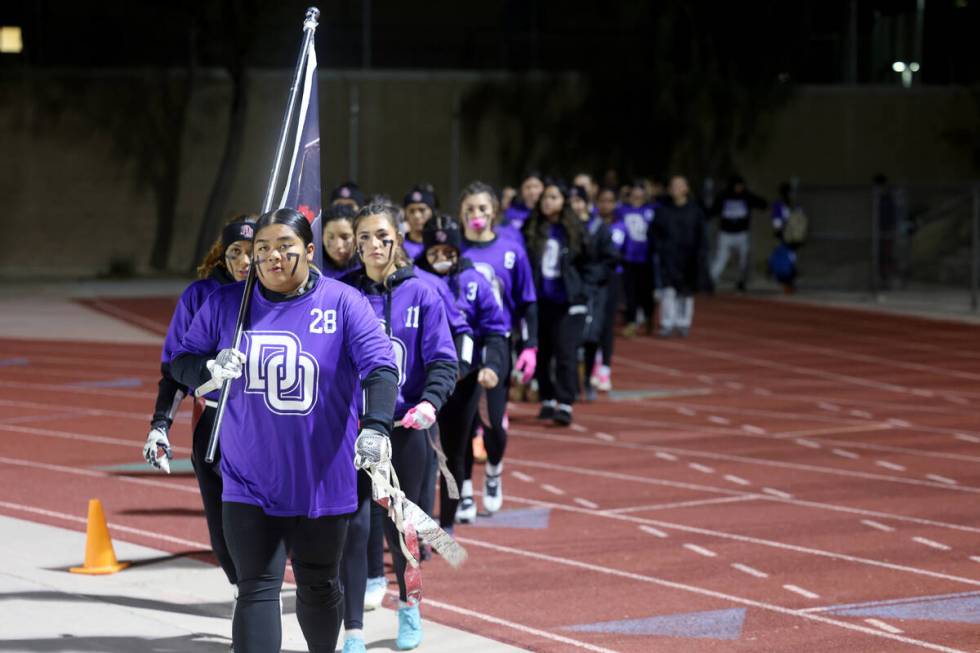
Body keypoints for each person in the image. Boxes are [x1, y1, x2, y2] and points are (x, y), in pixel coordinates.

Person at [170, 208, 399, 653]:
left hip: (322, 478)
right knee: (256, 587)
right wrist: (209, 369)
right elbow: (181, 361)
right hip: (248, 478)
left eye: (284, 247)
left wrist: (376, 426)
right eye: (262, 250)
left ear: (309, 251)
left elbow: (381, 367)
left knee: (318, 583)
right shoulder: (226, 305)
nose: (273, 257)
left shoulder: (342, 302)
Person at [345, 202, 458, 651]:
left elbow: (444, 360)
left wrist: (430, 403)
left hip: (405, 429)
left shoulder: (424, 293)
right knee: (352, 530)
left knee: (402, 529)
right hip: (353, 434)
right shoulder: (341, 294)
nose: (374, 245)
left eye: (382, 236)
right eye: (365, 237)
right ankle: (352, 629)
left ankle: (410, 609)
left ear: (398, 240)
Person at [142, 215, 255, 595]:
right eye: (235, 252)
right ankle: (245, 593)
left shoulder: (280, 294)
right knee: (222, 519)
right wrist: (160, 424)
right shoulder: (200, 296)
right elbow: (176, 366)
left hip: (270, 426)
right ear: (222, 256)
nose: (244, 261)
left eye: (253, 252)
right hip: (215, 421)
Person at [415, 214, 509, 524]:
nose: (442, 259)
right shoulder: (413, 279)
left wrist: (492, 364)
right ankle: (417, 522)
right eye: (435, 253)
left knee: (454, 450)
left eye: (449, 253)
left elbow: (495, 328)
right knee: (420, 456)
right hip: (420, 381)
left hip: (464, 379)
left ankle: (447, 522)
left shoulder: (474, 281)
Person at [458, 181, 538, 514]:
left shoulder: (512, 250)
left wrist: (530, 345)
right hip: (460, 341)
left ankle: (493, 470)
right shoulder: (454, 250)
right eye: (470, 209)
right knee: (460, 420)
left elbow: (528, 301)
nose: (476, 215)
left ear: (494, 211)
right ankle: (462, 489)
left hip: (498, 341)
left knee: (492, 418)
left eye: (482, 208)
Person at [522, 179, 601, 426]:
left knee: (566, 352)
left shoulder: (574, 230)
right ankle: (547, 398)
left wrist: (583, 289)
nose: (548, 202)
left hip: (568, 302)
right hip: (540, 300)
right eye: (545, 197)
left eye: (554, 197)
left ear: (564, 201)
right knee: (542, 352)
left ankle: (565, 402)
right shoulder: (533, 227)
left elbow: (592, 264)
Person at [570, 185, 619, 401]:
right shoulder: (565, 228)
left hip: (595, 290)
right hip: (572, 289)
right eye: (572, 202)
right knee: (570, 339)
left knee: (591, 336)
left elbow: (611, 258)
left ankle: (589, 379)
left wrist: (593, 275)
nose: (576, 206)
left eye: (580, 201)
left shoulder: (598, 227)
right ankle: (570, 384)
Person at [652, 176, 708, 337]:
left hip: (689, 258)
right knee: (668, 291)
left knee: (686, 292)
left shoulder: (695, 211)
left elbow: (701, 235)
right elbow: (654, 234)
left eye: (680, 186)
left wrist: (701, 254)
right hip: (669, 257)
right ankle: (667, 323)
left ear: (686, 189)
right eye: (673, 186)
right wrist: (661, 249)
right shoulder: (663, 210)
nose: (676, 189)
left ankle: (684, 322)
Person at [590, 187, 625, 392]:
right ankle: (592, 364)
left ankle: (605, 369)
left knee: (607, 324)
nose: (606, 205)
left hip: (612, 278)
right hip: (594, 278)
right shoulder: (592, 226)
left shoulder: (620, 226)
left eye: (610, 201)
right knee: (593, 321)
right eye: (602, 201)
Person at [709, 175, 767, 292]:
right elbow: (713, 210)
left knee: (744, 259)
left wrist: (764, 204)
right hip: (725, 234)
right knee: (721, 258)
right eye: (737, 186)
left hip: (742, 234)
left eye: (741, 186)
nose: (739, 188)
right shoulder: (724, 196)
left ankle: (742, 281)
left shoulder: (746, 196)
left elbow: (761, 203)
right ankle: (710, 280)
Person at [616, 180, 656, 336]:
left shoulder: (652, 210)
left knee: (646, 291)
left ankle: (648, 317)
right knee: (629, 292)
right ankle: (631, 321)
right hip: (627, 257)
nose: (637, 196)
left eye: (640, 193)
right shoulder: (622, 210)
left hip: (646, 258)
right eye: (634, 193)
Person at [321, 203, 361, 279]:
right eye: (331, 237)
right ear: (322, 236)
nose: (338, 245)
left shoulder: (368, 270)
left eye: (345, 237)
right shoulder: (314, 271)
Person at [402, 186, 436, 261]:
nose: (417, 216)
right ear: (405, 214)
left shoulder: (441, 245)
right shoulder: (399, 247)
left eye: (422, 210)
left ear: (432, 212)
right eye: (411, 211)